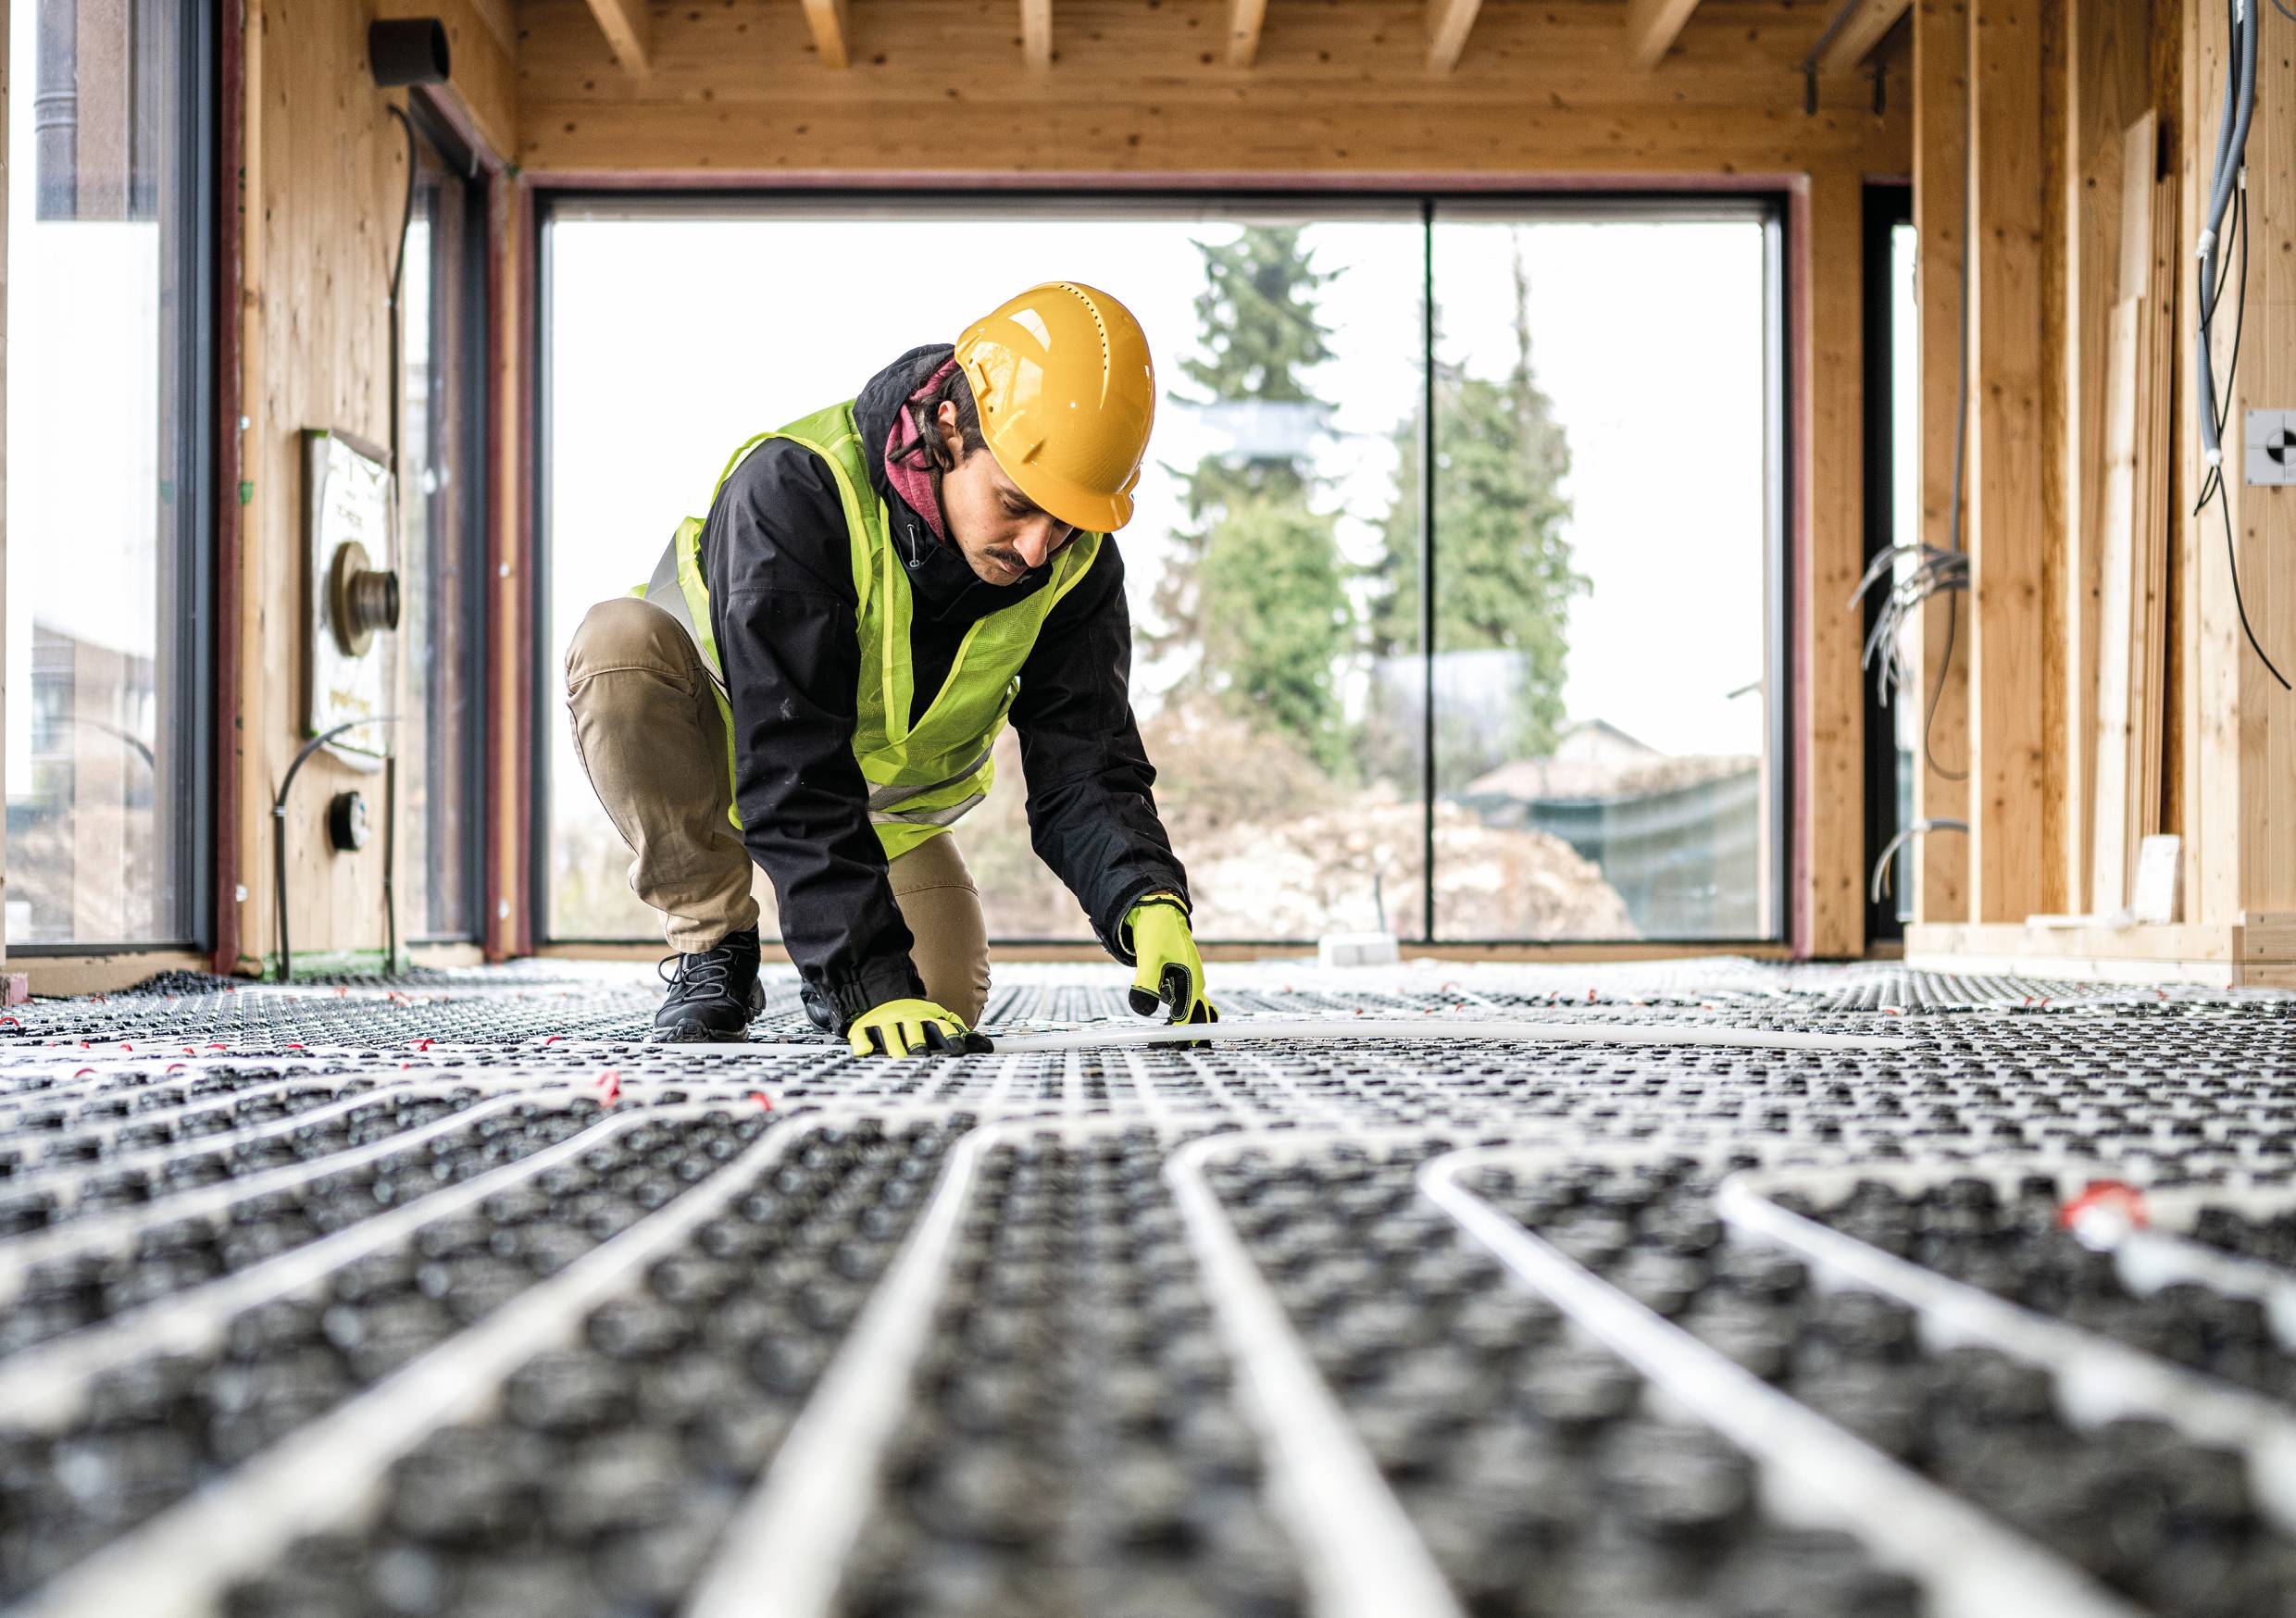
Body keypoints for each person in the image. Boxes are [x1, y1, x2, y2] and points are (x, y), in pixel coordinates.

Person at [564, 282, 1218, 1055]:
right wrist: (864, 978)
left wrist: (1146, 900)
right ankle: (714, 944)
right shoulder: (798, 493)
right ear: (948, 429)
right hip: (737, 751)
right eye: (1016, 504)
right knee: (617, 646)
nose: (1038, 548)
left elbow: (1086, 756)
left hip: (880, 812)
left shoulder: (1073, 565)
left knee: (939, 1004)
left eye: (1067, 521)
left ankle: (826, 967)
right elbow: (792, 759)